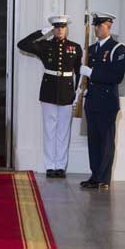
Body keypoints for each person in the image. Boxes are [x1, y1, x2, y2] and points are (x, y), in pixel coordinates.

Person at [17, 15, 82, 178]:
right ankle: (50, 166)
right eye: (57, 27)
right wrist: (41, 32)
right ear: (53, 29)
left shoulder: (75, 47)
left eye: (63, 27)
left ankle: (60, 166)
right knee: (49, 130)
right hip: (49, 91)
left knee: (63, 132)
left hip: (67, 93)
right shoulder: (44, 46)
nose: (60, 30)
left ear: (66, 29)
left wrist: (77, 92)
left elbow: (79, 72)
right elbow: (22, 44)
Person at [79, 12, 125, 189]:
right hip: (92, 101)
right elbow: (84, 78)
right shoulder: (91, 50)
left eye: (101, 25)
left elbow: (116, 76)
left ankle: (104, 179)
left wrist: (91, 73)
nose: (97, 29)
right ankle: (95, 175)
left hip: (107, 103)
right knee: (94, 141)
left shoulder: (118, 48)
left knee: (106, 141)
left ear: (109, 26)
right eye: (96, 26)